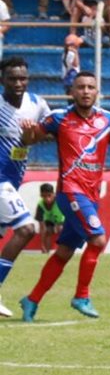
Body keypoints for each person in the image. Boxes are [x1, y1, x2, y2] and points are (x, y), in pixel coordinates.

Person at [17, 72, 110, 321]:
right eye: (81, 87)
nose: (86, 91)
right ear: (72, 92)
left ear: (97, 92)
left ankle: (32, 299)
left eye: (90, 87)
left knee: (65, 251)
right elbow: (31, 139)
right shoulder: (58, 118)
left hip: (91, 194)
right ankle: (82, 296)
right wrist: (27, 132)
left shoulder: (108, 120)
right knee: (98, 240)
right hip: (70, 191)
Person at [0, 58, 52, 318]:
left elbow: (50, 130)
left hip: (12, 181)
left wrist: (34, 135)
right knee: (26, 229)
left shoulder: (37, 104)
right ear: (2, 80)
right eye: (12, 78)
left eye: (22, 78)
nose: (18, 83)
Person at [35, 183, 64, 255]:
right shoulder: (40, 205)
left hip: (63, 221)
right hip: (50, 221)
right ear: (41, 195)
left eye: (49, 195)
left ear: (53, 194)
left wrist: (57, 228)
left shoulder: (59, 202)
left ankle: (62, 251)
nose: (47, 199)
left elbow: (59, 224)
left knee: (61, 229)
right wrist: (42, 245)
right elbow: (42, 227)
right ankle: (45, 252)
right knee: (47, 231)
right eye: (44, 196)